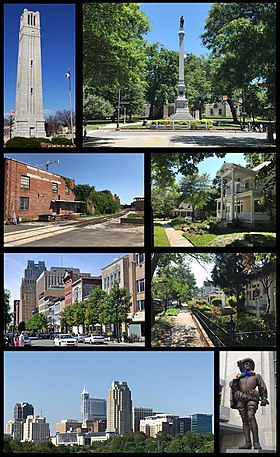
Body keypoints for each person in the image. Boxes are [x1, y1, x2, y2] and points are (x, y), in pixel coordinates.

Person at [229, 357, 269, 450]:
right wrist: (233, 384)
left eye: (249, 363)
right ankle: (247, 442)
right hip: (240, 399)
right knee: (244, 420)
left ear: (252, 366)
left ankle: (256, 441)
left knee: (251, 416)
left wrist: (264, 398)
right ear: (242, 367)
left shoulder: (256, 376)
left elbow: (262, 388)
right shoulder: (239, 378)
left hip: (252, 397)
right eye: (245, 364)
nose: (247, 364)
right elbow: (235, 389)